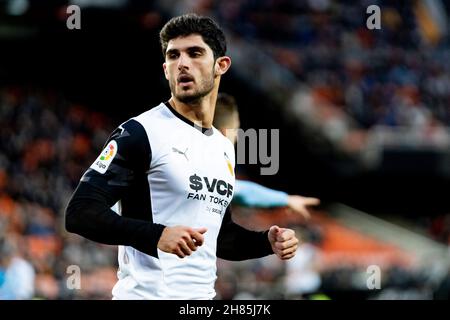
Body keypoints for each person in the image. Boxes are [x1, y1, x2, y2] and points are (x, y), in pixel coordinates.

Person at [65, 13, 299, 300]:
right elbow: (80, 213)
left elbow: (220, 238)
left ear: (221, 65)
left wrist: (266, 242)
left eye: (195, 53)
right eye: (173, 56)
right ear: (165, 69)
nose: (183, 64)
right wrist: (157, 234)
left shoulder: (223, 147)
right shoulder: (140, 132)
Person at [213, 93, 320, 219]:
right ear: (224, 132)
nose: (237, 136)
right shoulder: (208, 165)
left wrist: (285, 199)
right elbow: (243, 193)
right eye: (236, 130)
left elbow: (238, 190)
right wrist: (286, 199)